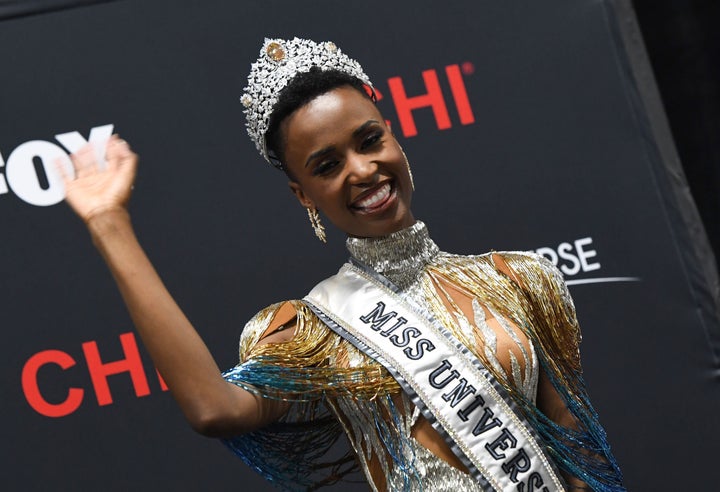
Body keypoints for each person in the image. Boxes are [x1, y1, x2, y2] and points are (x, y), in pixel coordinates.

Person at [59, 38, 624, 491]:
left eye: (369, 140)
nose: (361, 170)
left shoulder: (516, 280)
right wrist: (110, 223)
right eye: (327, 165)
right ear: (304, 194)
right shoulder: (313, 330)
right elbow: (214, 408)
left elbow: (578, 460)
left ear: (395, 138)